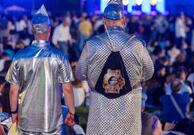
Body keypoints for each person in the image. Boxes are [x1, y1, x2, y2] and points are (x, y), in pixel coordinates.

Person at [76, 0, 154, 134]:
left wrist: (93, 76)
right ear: (123, 20)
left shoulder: (92, 44)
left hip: (100, 106)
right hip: (129, 104)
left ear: (104, 20)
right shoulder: (136, 44)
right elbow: (149, 72)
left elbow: (79, 73)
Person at [5, 5, 75, 134]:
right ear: (49, 30)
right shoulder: (59, 56)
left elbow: (13, 90)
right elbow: (67, 88)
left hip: (27, 121)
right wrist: (71, 112)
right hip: (52, 122)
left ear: (32, 31)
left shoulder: (19, 56)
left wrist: (14, 112)